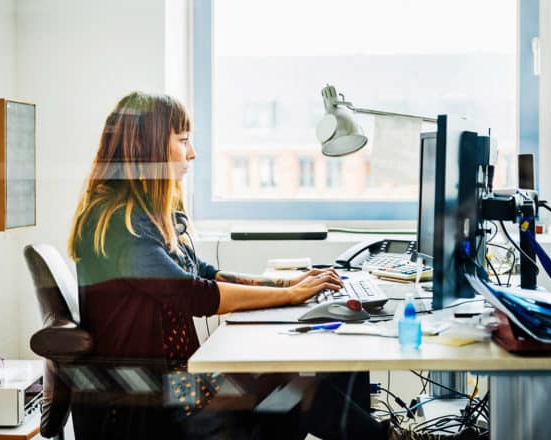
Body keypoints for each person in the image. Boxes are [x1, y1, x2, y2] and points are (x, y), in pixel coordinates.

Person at [67, 91, 386, 439]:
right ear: (150, 146)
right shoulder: (119, 222)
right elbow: (193, 295)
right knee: (300, 389)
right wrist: (292, 295)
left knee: (305, 379)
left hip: (172, 388)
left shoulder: (142, 212)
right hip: (153, 402)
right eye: (183, 140)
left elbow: (202, 273)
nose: (192, 153)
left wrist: (286, 286)